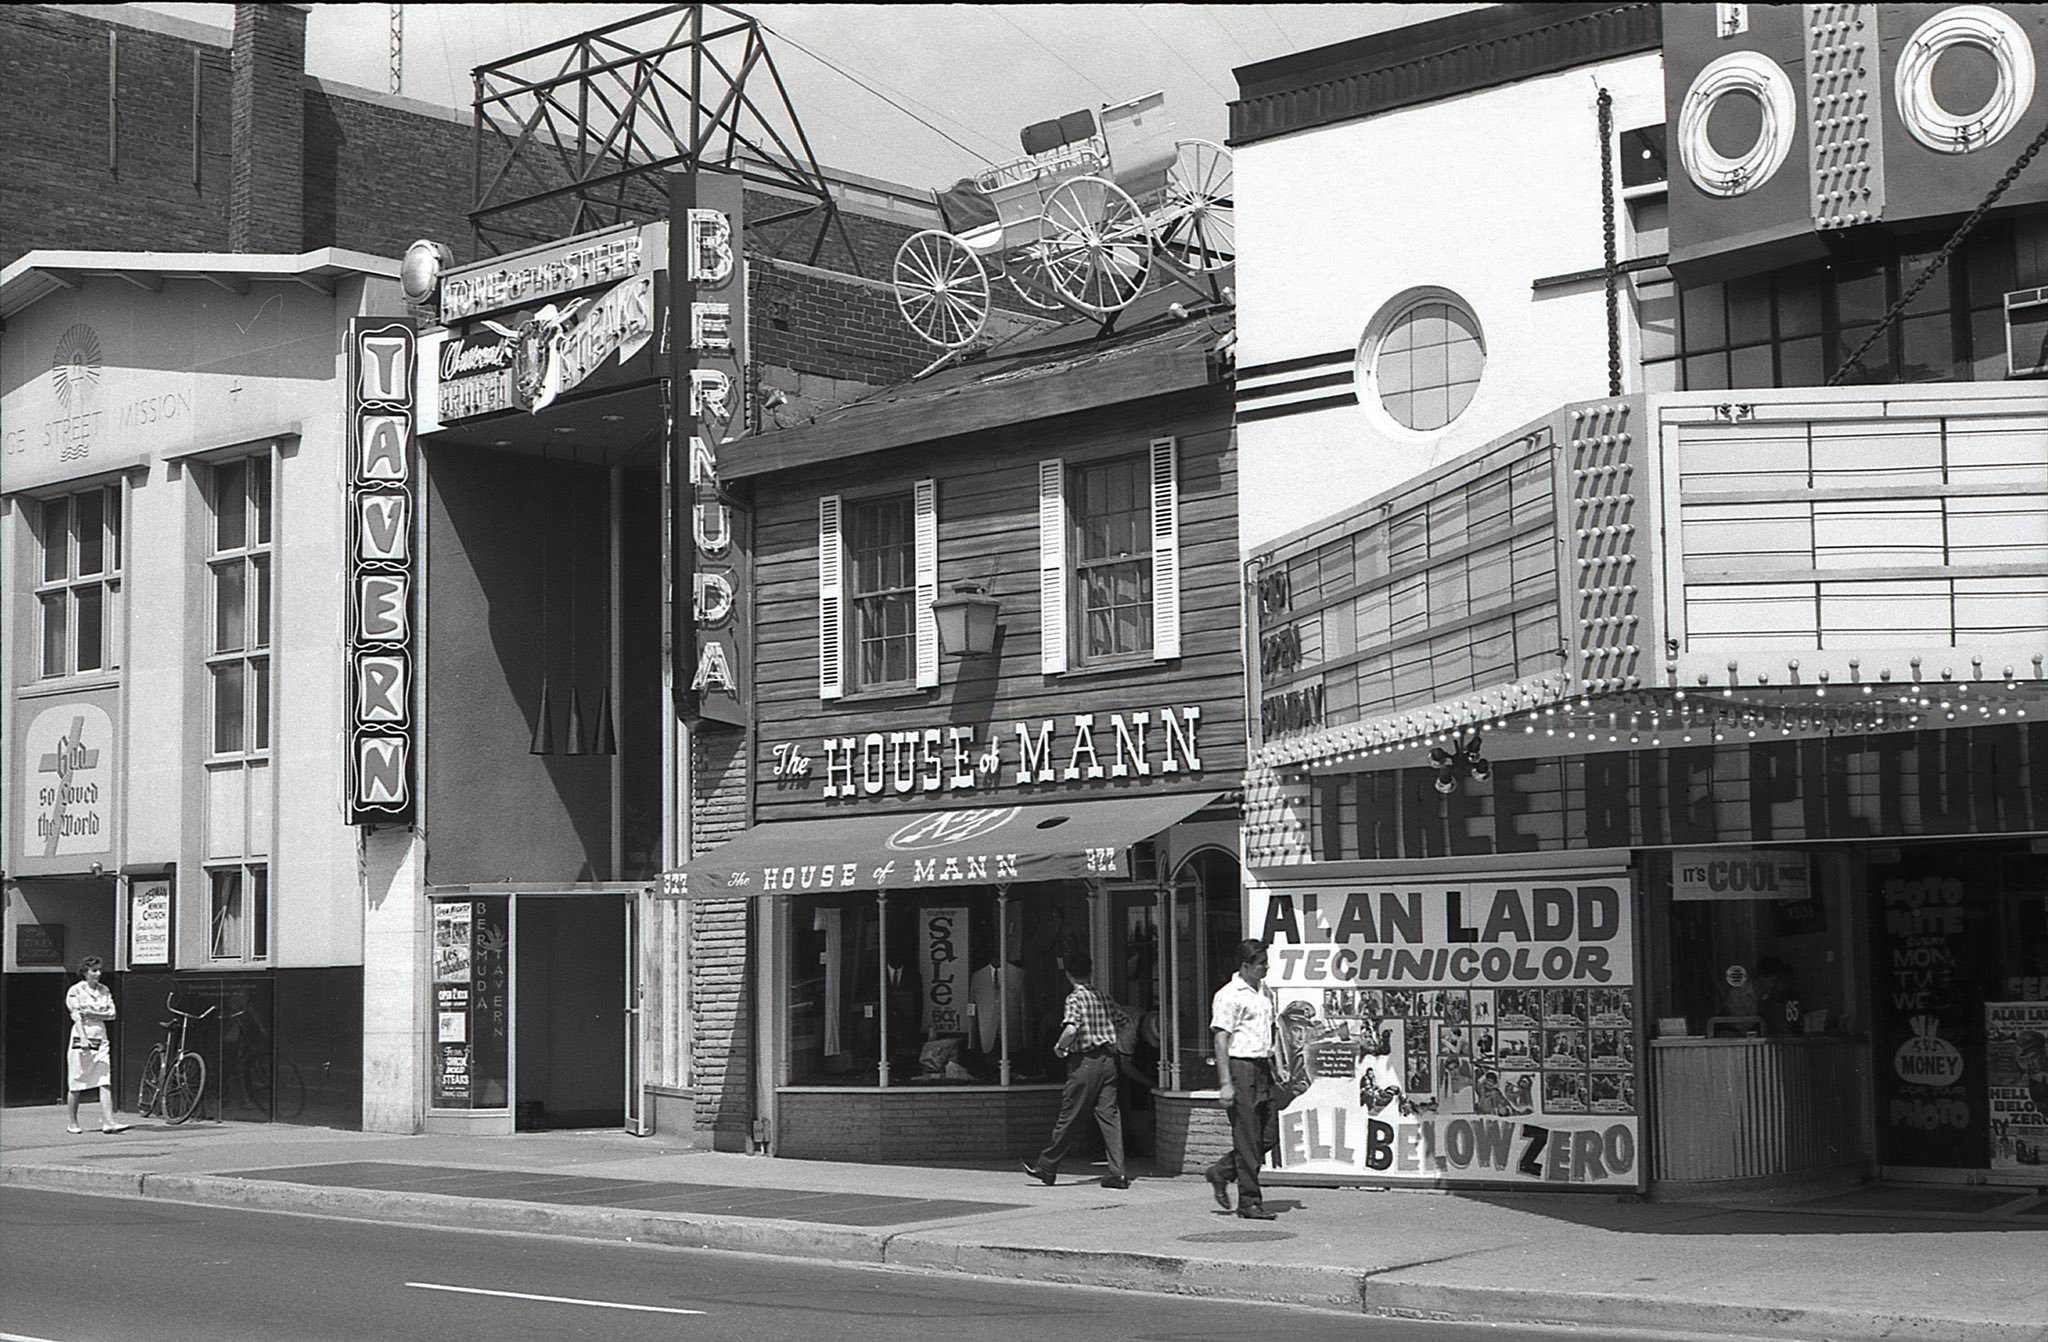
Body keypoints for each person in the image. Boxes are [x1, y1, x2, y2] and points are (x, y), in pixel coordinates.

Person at [1022, 950, 1132, 1189]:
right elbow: (1125, 1022)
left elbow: (1071, 1029)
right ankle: (1118, 1172)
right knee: (1109, 1116)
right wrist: (1115, 1042)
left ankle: (1047, 1166)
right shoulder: (1103, 996)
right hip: (1108, 1060)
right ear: (1090, 971)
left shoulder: (1074, 999)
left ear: (1069, 974)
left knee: (1070, 1114)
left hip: (1085, 1061)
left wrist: (1060, 1047)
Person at [1205, 939, 1280, 1220]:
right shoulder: (1228, 995)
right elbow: (1221, 1040)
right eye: (1260, 964)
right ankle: (1249, 1201)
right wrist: (1225, 1083)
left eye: (1266, 963)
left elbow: (1268, 1032)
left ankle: (1221, 1171)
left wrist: (1275, 1064)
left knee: (1269, 1133)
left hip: (1262, 1066)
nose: (1265, 969)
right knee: (1247, 1137)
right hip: (1241, 1067)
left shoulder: (1265, 993)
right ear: (1245, 965)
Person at [65, 957, 128, 1135]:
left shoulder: (104, 990)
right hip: (82, 1035)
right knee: (77, 1080)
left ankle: (109, 1122)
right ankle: (73, 1122)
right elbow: (76, 1015)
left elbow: (112, 1013)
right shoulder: (75, 990)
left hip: (100, 1035)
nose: (98, 974)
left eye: (99, 970)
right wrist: (83, 1038)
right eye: (94, 970)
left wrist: (91, 1012)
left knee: (104, 1079)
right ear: (85, 972)